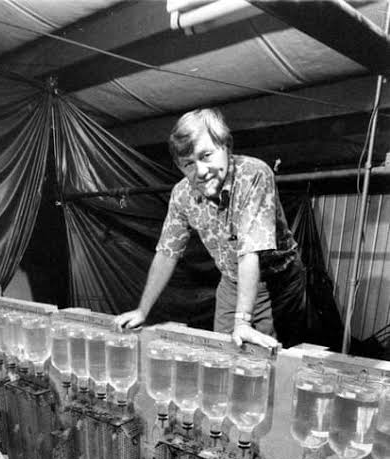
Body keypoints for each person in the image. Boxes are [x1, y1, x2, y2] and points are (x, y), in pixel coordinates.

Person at [117, 108, 306, 348]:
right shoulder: (182, 194)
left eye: (206, 156)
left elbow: (249, 253)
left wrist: (243, 321)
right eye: (188, 164)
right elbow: (166, 253)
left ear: (226, 146)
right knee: (224, 351)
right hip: (231, 281)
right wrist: (142, 311)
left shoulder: (254, 174)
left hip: (277, 282)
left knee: (267, 356)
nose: (200, 172)